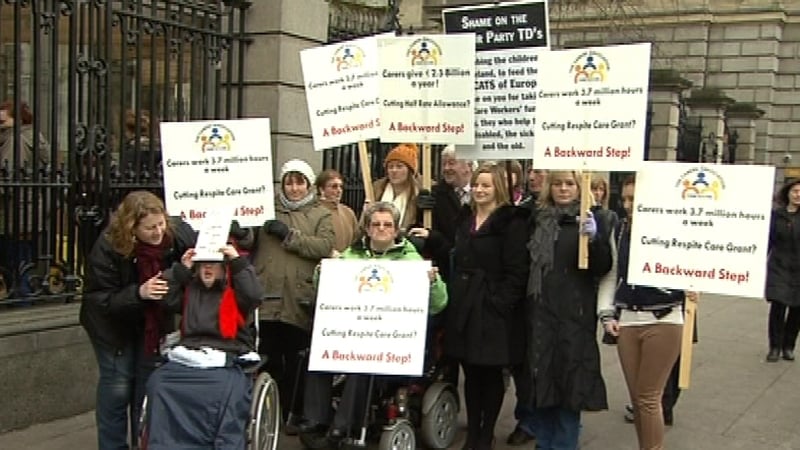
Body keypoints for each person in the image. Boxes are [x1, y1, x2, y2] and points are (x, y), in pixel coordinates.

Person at [299, 201, 447, 440]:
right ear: (367, 229)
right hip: (353, 332)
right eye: (375, 224)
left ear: (396, 230)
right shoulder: (350, 256)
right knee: (317, 354)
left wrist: (434, 283)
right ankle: (316, 418)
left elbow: (438, 304)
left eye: (387, 225)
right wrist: (322, 274)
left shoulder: (412, 262)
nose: (381, 229)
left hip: (390, 340)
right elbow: (327, 293)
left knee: (363, 361)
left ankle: (344, 425)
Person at [80, 190, 196, 450]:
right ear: (132, 228)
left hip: (151, 326)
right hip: (112, 328)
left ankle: (143, 443)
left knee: (146, 391)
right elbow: (100, 300)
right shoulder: (108, 246)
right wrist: (138, 293)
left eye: (160, 224)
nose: (157, 232)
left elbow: (203, 243)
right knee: (118, 388)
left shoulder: (174, 233)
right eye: (149, 228)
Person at [599, 175, 698, 450]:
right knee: (638, 397)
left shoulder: (674, 229)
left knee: (648, 398)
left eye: (635, 199)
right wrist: (607, 315)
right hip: (628, 319)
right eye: (625, 199)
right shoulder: (620, 230)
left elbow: (695, 266)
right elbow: (612, 273)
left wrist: (693, 288)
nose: (628, 205)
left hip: (664, 319)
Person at [432, 163, 526, 450]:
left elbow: (517, 270)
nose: (480, 189)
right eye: (476, 184)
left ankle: (486, 434)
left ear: (498, 186)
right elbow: (455, 254)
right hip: (464, 304)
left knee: (490, 372)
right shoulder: (465, 218)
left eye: (486, 184)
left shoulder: (511, 221)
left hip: (492, 307)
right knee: (470, 372)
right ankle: (473, 433)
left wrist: (499, 303)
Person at [520, 170, 615, 450]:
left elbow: (603, 267)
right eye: (558, 183)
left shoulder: (592, 220)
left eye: (570, 184)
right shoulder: (536, 218)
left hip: (574, 317)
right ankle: (544, 443)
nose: (563, 189)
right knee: (542, 388)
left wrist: (595, 241)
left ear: (579, 187)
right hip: (539, 316)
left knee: (568, 391)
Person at [239, 158, 334, 432]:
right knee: (266, 354)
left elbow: (325, 245)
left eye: (299, 182)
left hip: (298, 296)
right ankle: (266, 413)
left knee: (296, 359)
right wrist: (241, 230)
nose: (293, 188)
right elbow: (249, 239)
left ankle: (293, 413)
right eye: (289, 182)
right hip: (266, 293)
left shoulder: (321, 213)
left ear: (308, 185)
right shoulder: (267, 208)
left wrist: (290, 236)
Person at [144, 243, 265, 450]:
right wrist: (180, 270)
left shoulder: (236, 292)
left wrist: (237, 261)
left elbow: (255, 295)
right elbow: (164, 293)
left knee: (227, 390)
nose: (207, 268)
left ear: (224, 267)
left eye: (213, 264)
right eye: (203, 264)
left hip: (228, 353)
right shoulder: (190, 290)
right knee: (158, 382)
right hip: (190, 352)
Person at [0, 100, 51, 299]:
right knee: (24, 258)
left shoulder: (16, 140)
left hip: (18, 210)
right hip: (28, 209)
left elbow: (8, 176)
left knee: (18, 261)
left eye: (2, 121)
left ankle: (22, 300)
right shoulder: (28, 136)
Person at [765, 178, 800, 362]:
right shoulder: (776, 216)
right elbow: (767, 241)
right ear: (787, 193)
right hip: (779, 267)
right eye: (795, 191)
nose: (798, 195)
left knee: (796, 309)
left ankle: (788, 346)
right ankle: (775, 347)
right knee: (778, 307)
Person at [372, 143, 422, 232]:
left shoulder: (420, 192)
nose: (394, 170)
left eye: (399, 166)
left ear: (410, 170)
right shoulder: (376, 189)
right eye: (390, 167)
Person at [315, 169, 358, 256]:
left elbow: (356, 240)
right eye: (334, 186)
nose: (339, 190)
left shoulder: (348, 212)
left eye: (340, 186)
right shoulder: (313, 211)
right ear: (321, 190)